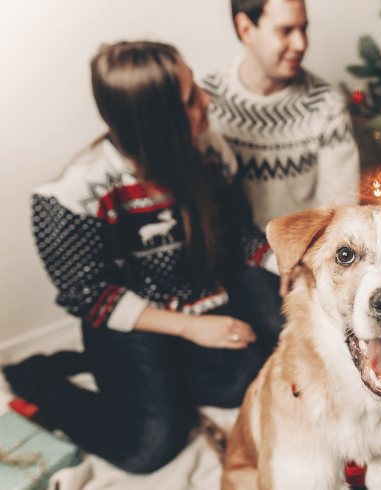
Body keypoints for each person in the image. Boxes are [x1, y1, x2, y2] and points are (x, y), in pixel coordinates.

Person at [3, 41, 284, 473]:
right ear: (158, 124)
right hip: (130, 318)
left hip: (197, 292)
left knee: (240, 380)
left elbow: (241, 236)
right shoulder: (73, 196)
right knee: (148, 446)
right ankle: (37, 376)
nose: (208, 100)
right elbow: (89, 296)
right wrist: (193, 329)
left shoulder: (211, 153)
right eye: (191, 99)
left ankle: (150, 376)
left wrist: (288, 263)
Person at [202, 0, 360, 231]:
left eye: (303, 28)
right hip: (234, 257)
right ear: (246, 29)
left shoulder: (326, 104)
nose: (301, 43)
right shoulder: (204, 103)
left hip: (303, 256)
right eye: (285, 31)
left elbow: (339, 211)